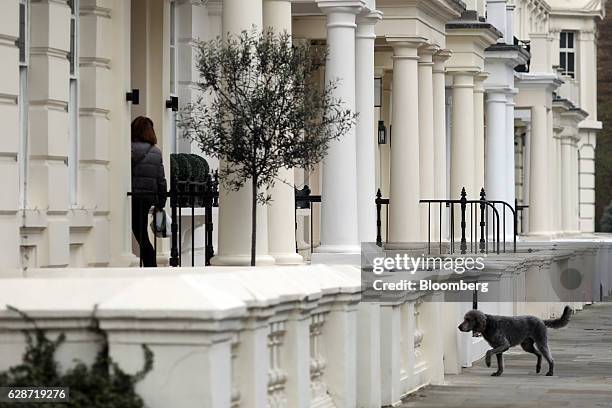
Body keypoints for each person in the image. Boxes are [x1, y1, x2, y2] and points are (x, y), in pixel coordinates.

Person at [131, 116, 167, 267]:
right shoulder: (156, 152)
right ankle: (150, 264)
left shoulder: (129, 149)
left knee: (141, 235)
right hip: (147, 198)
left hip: (132, 196)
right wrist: (161, 202)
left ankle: (150, 265)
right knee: (142, 232)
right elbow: (161, 179)